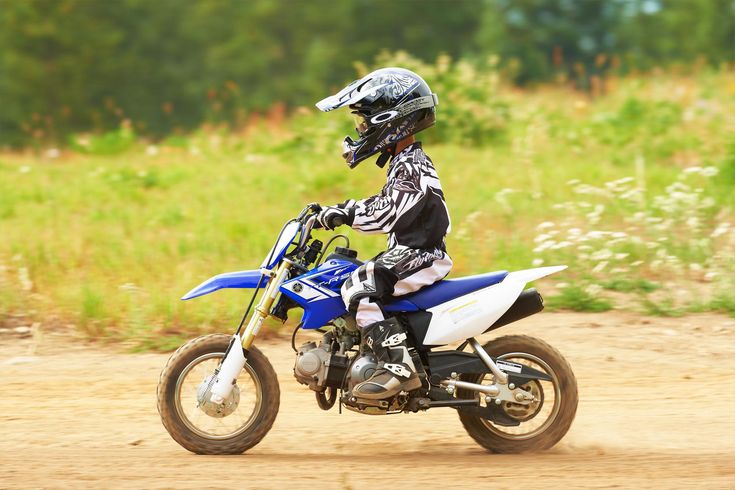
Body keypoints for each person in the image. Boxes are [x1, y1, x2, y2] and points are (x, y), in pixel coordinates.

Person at [313, 67, 452, 400]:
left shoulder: (413, 164)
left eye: (364, 122)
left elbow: (387, 211)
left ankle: (397, 368)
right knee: (344, 274)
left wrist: (345, 212)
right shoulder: (403, 161)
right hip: (410, 251)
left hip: (422, 255)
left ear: (389, 121)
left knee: (359, 287)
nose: (360, 130)